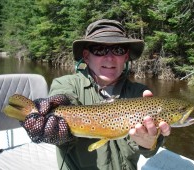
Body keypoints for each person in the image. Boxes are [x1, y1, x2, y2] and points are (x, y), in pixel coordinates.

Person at [22, 19, 171, 170]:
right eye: (99, 49)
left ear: (125, 56)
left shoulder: (140, 95)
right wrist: (57, 113)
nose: (109, 58)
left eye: (118, 50)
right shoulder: (65, 84)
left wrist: (149, 143)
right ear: (86, 56)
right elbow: (64, 96)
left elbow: (148, 151)